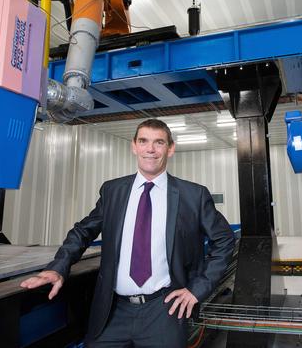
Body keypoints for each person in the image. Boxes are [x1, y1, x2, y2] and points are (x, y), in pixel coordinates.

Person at [20, 118, 235, 347]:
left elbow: (224, 240)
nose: (150, 149)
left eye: (158, 142)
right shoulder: (113, 191)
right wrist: (58, 267)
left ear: (170, 149)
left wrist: (196, 289)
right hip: (113, 311)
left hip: (164, 311)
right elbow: (83, 231)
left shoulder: (193, 195)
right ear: (134, 146)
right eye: (143, 141)